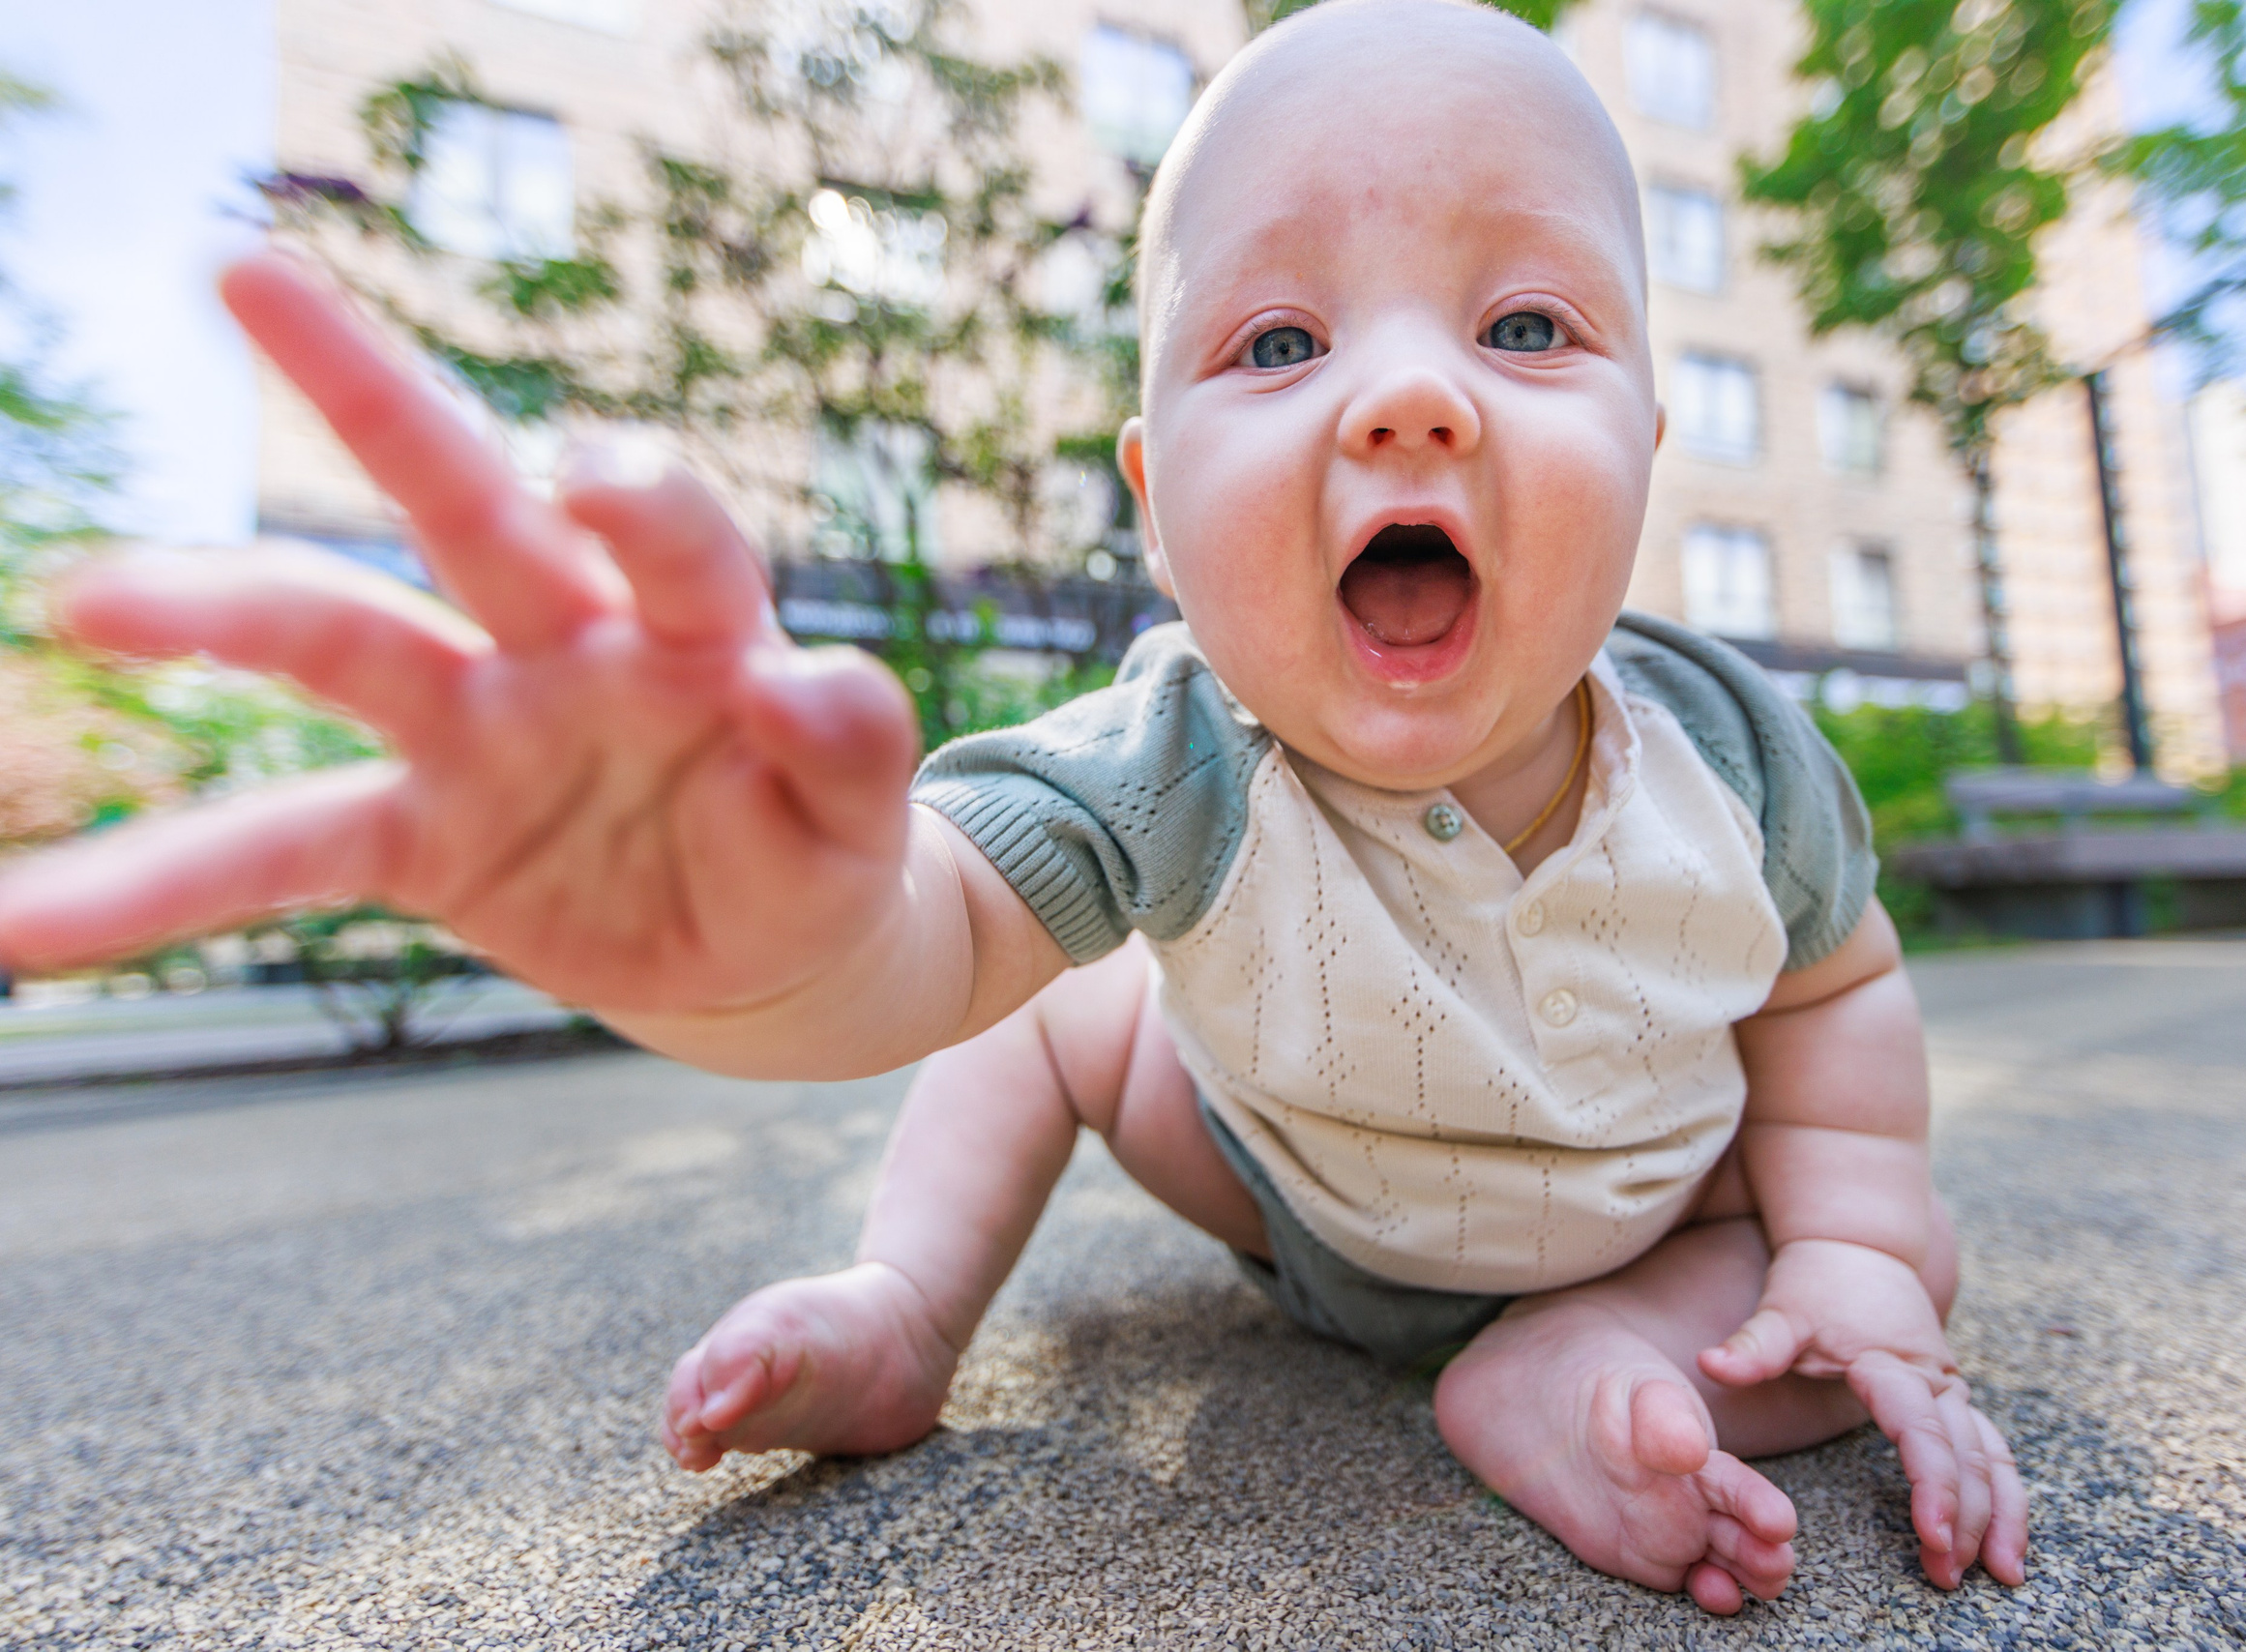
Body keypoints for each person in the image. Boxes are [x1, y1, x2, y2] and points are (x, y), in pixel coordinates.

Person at [0, 0, 2024, 1615]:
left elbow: (1831, 1000)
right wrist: (759, 949)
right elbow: (927, 930)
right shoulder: (1172, 757)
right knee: (1053, 1003)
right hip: (1284, 1183)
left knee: (1860, 1249)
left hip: (1636, 1208)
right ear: (1155, 506)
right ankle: (904, 1302)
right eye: (1281, 338)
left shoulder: (1731, 756)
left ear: (1647, 439)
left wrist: (1845, 1242)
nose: (1409, 399)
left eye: (1521, 326)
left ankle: (1576, 1362)